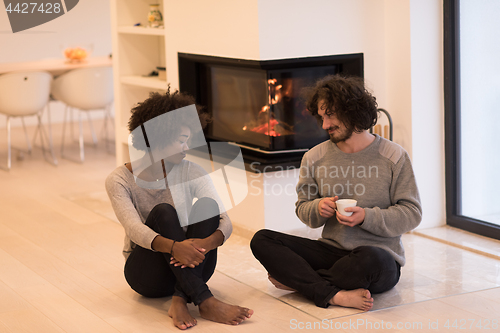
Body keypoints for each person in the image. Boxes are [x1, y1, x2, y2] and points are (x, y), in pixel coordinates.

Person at [250, 75, 422, 311]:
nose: (325, 125)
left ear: (353, 111)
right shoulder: (315, 157)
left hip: (378, 258)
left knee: (372, 259)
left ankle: (302, 282)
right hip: (331, 251)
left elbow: (412, 213)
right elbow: (303, 208)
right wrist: (318, 207)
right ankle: (335, 294)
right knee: (262, 239)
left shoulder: (393, 156)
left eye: (330, 115)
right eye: (321, 117)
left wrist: (365, 217)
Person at [105, 89, 253, 330]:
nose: (187, 146)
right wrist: (176, 247)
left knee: (208, 206)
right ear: (157, 138)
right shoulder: (119, 180)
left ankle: (180, 298)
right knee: (164, 211)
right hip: (147, 275)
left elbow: (225, 220)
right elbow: (134, 230)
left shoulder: (191, 170)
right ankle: (205, 300)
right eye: (181, 140)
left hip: (193, 264)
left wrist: (200, 246)